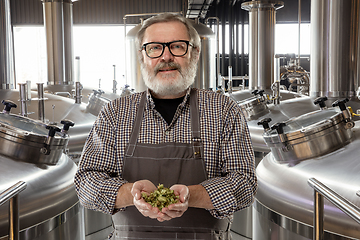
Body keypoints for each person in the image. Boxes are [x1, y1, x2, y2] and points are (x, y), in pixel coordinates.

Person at [74, 13, 257, 240]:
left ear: (195, 53)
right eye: (154, 48)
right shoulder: (115, 112)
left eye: (177, 46)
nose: (166, 56)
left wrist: (193, 196)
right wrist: (132, 194)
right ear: (143, 56)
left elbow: (244, 183)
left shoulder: (224, 110)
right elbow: (86, 182)